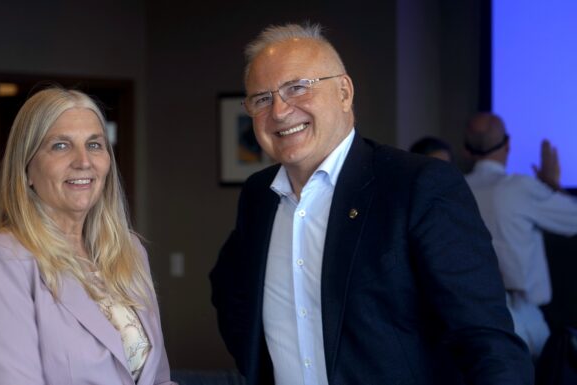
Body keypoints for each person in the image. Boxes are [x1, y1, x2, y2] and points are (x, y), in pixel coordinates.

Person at [209, 23, 532, 385]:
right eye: (262, 99)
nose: (280, 111)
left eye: (297, 88)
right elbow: (231, 292)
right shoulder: (259, 195)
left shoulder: (417, 186)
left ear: (344, 93)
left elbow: (487, 342)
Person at [0, 88, 175, 385]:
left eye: (94, 144)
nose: (83, 161)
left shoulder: (128, 252)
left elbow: (158, 379)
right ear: (26, 168)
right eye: (60, 146)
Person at [464, 112, 577, 360]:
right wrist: (552, 184)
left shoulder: (455, 189)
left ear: (466, 150)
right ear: (508, 144)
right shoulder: (519, 188)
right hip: (523, 318)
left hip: (470, 319)